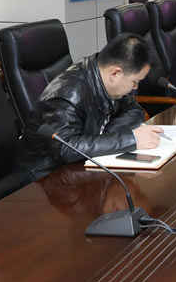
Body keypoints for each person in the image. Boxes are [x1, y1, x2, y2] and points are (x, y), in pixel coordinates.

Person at [12, 34, 164, 182]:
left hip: (78, 169)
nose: (135, 87)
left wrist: (106, 139)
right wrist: (130, 139)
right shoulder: (68, 94)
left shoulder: (104, 78)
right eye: (135, 81)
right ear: (115, 73)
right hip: (42, 181)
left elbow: (134, 111)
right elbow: (65, 149)